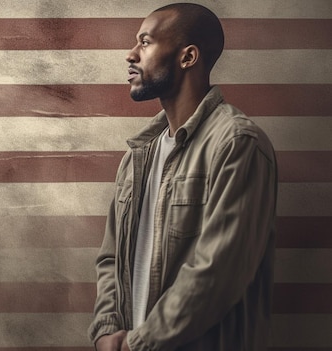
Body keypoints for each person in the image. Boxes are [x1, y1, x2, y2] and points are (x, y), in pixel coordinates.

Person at [88, 3, 277, 351]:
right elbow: (111, 258)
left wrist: (139, 343)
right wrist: (107, 330)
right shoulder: (137, 156)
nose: (131, 55)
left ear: (188, 57)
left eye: (145, 42)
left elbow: (218, 273)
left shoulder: (238, 144)